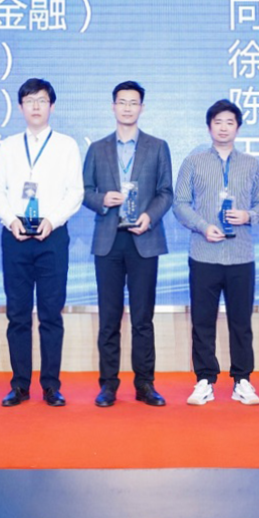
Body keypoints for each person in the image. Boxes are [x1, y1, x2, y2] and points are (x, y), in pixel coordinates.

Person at [0, 78, 84, 407]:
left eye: (42, 100)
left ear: (51, 106)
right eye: (29, 101)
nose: (36, 107)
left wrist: (52, 221)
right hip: (15, 235)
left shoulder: (66, 145)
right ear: (20, 107)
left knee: (50, 314)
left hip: (51, 237)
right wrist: (10, 220)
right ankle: (19, 385)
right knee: (17, 314)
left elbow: (75, 192)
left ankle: (51, 386)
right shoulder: (9, 146)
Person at [82, 81, 175, 408]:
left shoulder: (157, 146)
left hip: (143, 238)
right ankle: (108, 385)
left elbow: (166, 192)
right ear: (113, 107)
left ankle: (145, 384)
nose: (127, 108)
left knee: (142, 319)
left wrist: (150, 216)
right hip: (108, 241)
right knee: (109, 318)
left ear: (142, 108)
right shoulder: (98, 148)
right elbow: (84, 191)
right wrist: (102, 200)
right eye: (122, 102)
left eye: (133, 102)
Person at [175, 99, 259, 407]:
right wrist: (203, 226)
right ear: (209, 127)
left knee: (241, 322)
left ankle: (242, 380)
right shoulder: (193, 162)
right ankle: (205, 380)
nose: (224, 128)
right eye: (218, 122)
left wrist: (248, 216)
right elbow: (180, 204)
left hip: (241, 255)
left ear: (238, 128)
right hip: (204, 253)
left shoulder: (251, 164)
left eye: (230, 122)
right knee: (203, 321)